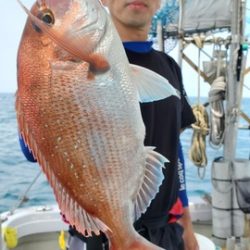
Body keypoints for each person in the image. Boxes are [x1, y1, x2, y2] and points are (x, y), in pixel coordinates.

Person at [19, 0, 198, 249]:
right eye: (48, 19)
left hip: (167, 232)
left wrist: (186, 223)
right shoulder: (71, 65)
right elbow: (32, 150)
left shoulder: (170, 67)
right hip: (96, 238)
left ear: (159, 3)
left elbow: (172, 147)